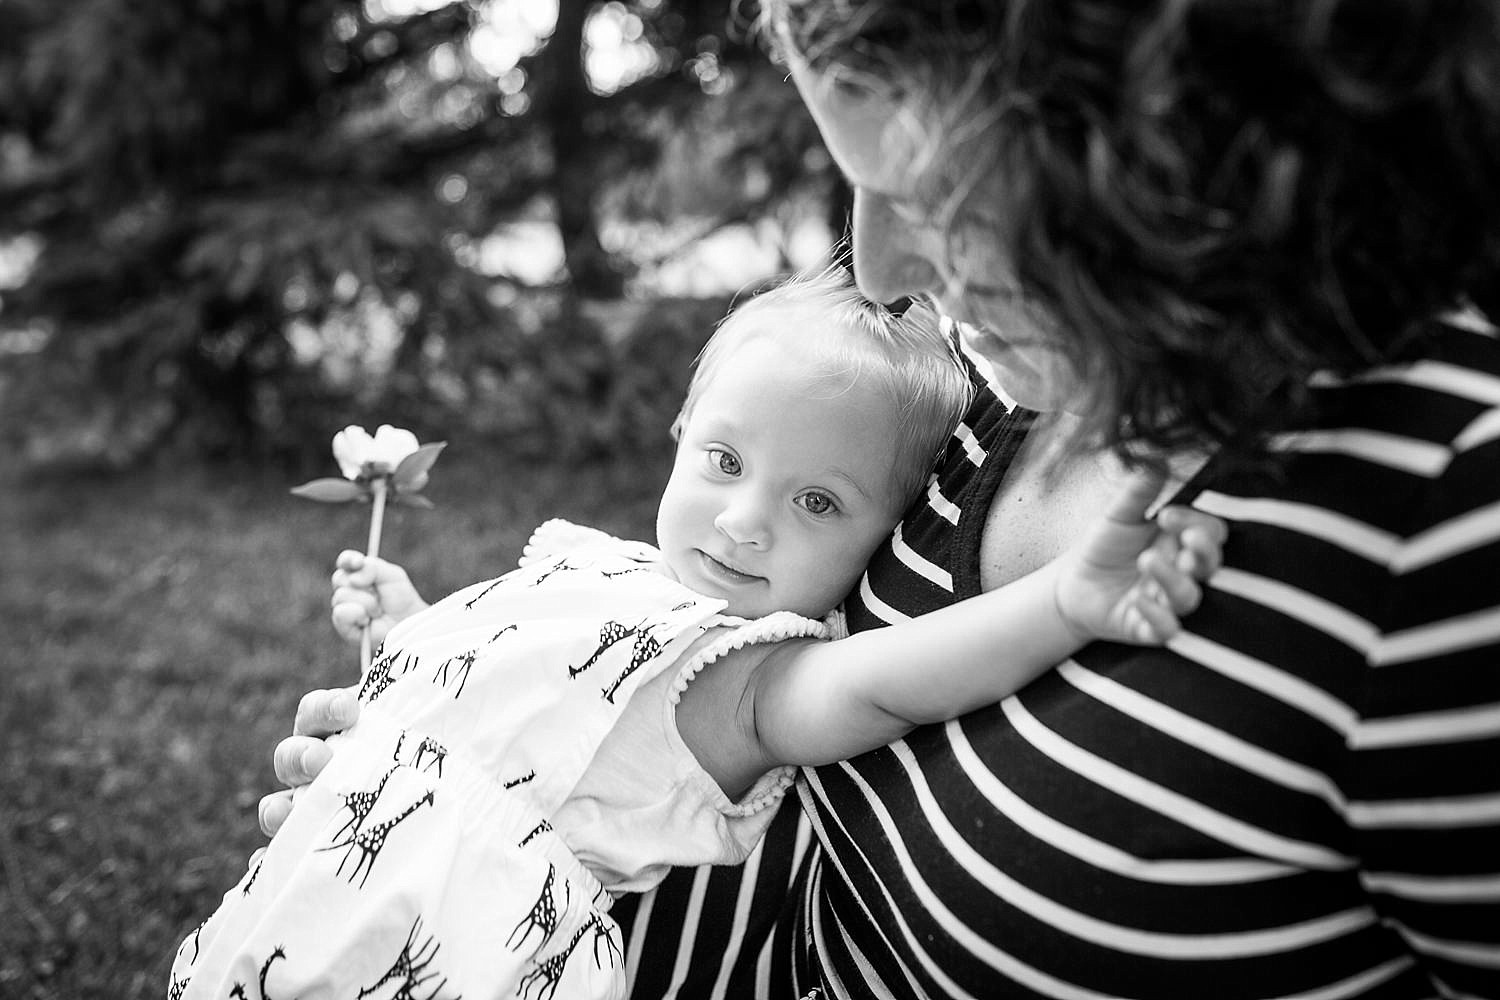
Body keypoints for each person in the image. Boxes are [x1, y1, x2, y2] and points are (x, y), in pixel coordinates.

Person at [264, 2, 1500, 997]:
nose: (885, 265)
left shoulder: (1449, 518)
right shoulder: (994, 397)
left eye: (929, 186)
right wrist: (461, 796)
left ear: (1164, 149)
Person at [173, 268, 1223, 1000]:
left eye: (819, 503)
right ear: (681, 435)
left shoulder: (734, 682)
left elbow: (879, 687)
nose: (745, 518)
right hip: (335, 900)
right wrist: (417, 627)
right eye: (726, 462)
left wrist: (1061, 603)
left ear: (883, 531)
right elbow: (526, 693)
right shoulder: (612, 579)